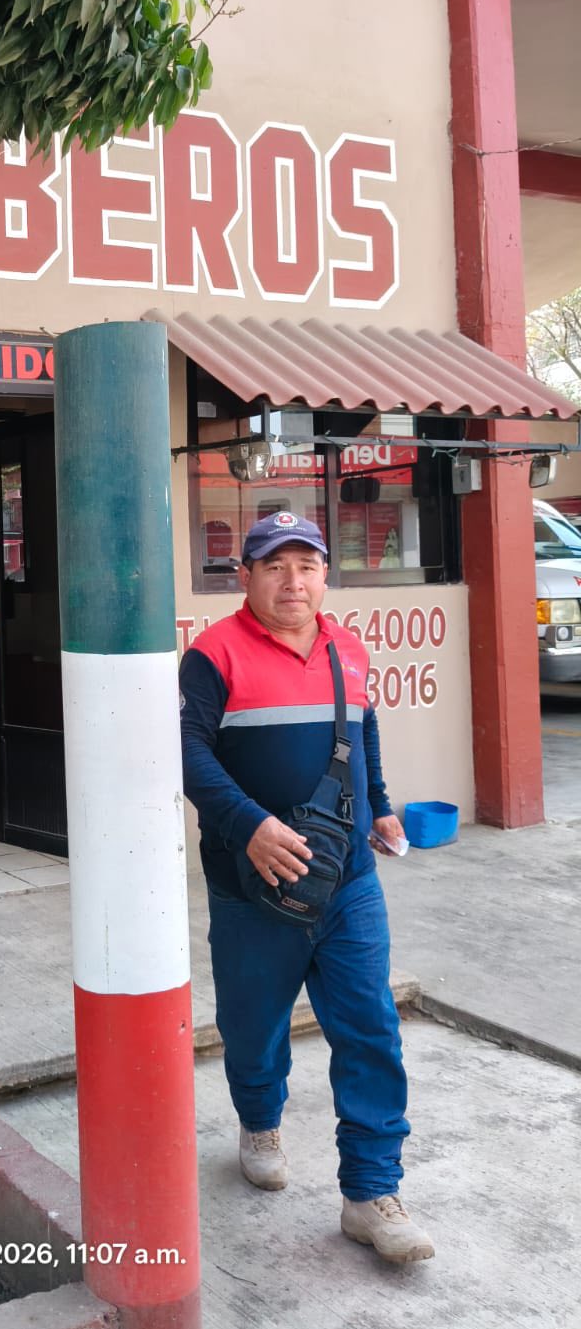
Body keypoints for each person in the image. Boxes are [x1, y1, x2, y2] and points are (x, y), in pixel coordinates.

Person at [178, 511, 435, 1265]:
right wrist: (248, 827)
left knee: (371, 1031)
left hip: (349, 878)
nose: (294, 582)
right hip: (251, 886)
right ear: (248, 576)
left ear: (326, 574)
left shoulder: (346, 649)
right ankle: (259, 1120)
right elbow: (186, 753)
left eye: (308, 566)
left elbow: (364, 731)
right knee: (254, 1031)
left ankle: (371, 1193)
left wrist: (381, 803)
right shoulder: (212, 655)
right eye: (275, 566)